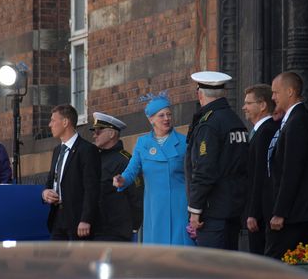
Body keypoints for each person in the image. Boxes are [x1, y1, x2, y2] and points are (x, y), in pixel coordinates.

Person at [266, 72, 308, 259]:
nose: (273, 97)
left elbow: (292, 171)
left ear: (290, 92)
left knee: (275, 261)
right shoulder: (294, 119)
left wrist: (280, 212)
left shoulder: (298, 122)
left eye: (276, 92)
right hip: (300, 211)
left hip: (296, 213)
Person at [113, 94, 194, 246]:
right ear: (151, 119)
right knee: (157, 254)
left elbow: (194, 174)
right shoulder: (143, 143)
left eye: (169, 114)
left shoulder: (184, 142)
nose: (166, 118)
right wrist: (121, 179)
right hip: (154, 207)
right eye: (161, 115)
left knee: (180, 251)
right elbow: (132, 170)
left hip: (180, 206)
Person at [185, 71, 249, 250]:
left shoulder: (209, 124)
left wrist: (195, 210)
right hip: (233, 208)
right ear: (224, 93)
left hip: (213, 211)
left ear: (200, 94)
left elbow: (204, 169)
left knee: (212, 268)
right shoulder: (235, 121)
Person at [42, 104, 101, 240]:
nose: (50, 125)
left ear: (65, 122)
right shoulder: (57, 150)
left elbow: (91, 188)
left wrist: (86, 219)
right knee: (57, 259)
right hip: (57, 218)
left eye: (53, 120)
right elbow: (51, 181)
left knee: (77, 260)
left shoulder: (87, 150)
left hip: (77, 221)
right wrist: (45, 193)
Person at [91, 112, 143, 242]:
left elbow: (136, 195)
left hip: (116, 231)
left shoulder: (125, 160)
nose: (94, 135)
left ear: (112, 134)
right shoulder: (95, 158)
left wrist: (134, 225)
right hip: (96, 227)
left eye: (98, 132)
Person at [242, 84, 280, 255]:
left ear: (263, 105)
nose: (244, 107)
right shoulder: (260, 131)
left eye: (249, 103)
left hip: (263, 213)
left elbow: (260, 175)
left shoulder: (266, 131)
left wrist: (253, 212)